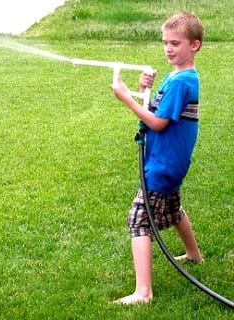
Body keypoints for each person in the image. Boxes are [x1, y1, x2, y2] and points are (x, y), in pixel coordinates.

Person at [112, 12, 204, 305]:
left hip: (164, 162)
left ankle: (143, 292)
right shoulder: (175, 75)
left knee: (139, 218)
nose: (168, 48)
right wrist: (143, 91)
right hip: (169, 160)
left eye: (175, 43)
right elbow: (158, 108)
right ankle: (193, 254)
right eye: (165, 42)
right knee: (172, 208)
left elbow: (158, 123)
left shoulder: (182, 81)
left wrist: (127, 98)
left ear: (195, 45)